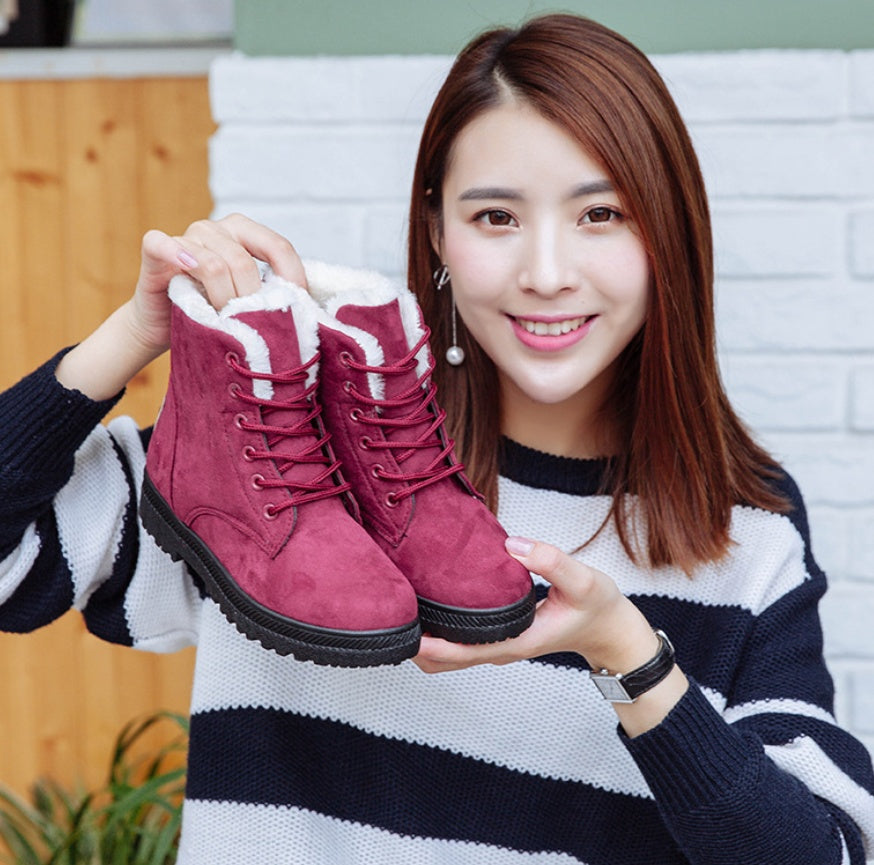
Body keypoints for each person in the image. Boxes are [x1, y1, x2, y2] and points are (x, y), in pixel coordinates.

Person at [1, 12, 873, 865]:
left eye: (601, 214)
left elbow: (822, 851)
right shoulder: (283, 459)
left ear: (666, 233)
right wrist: (135, 331)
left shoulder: (744, 528)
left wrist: (626, 652)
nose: (546, 273)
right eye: (496, 217)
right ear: (437, 233)